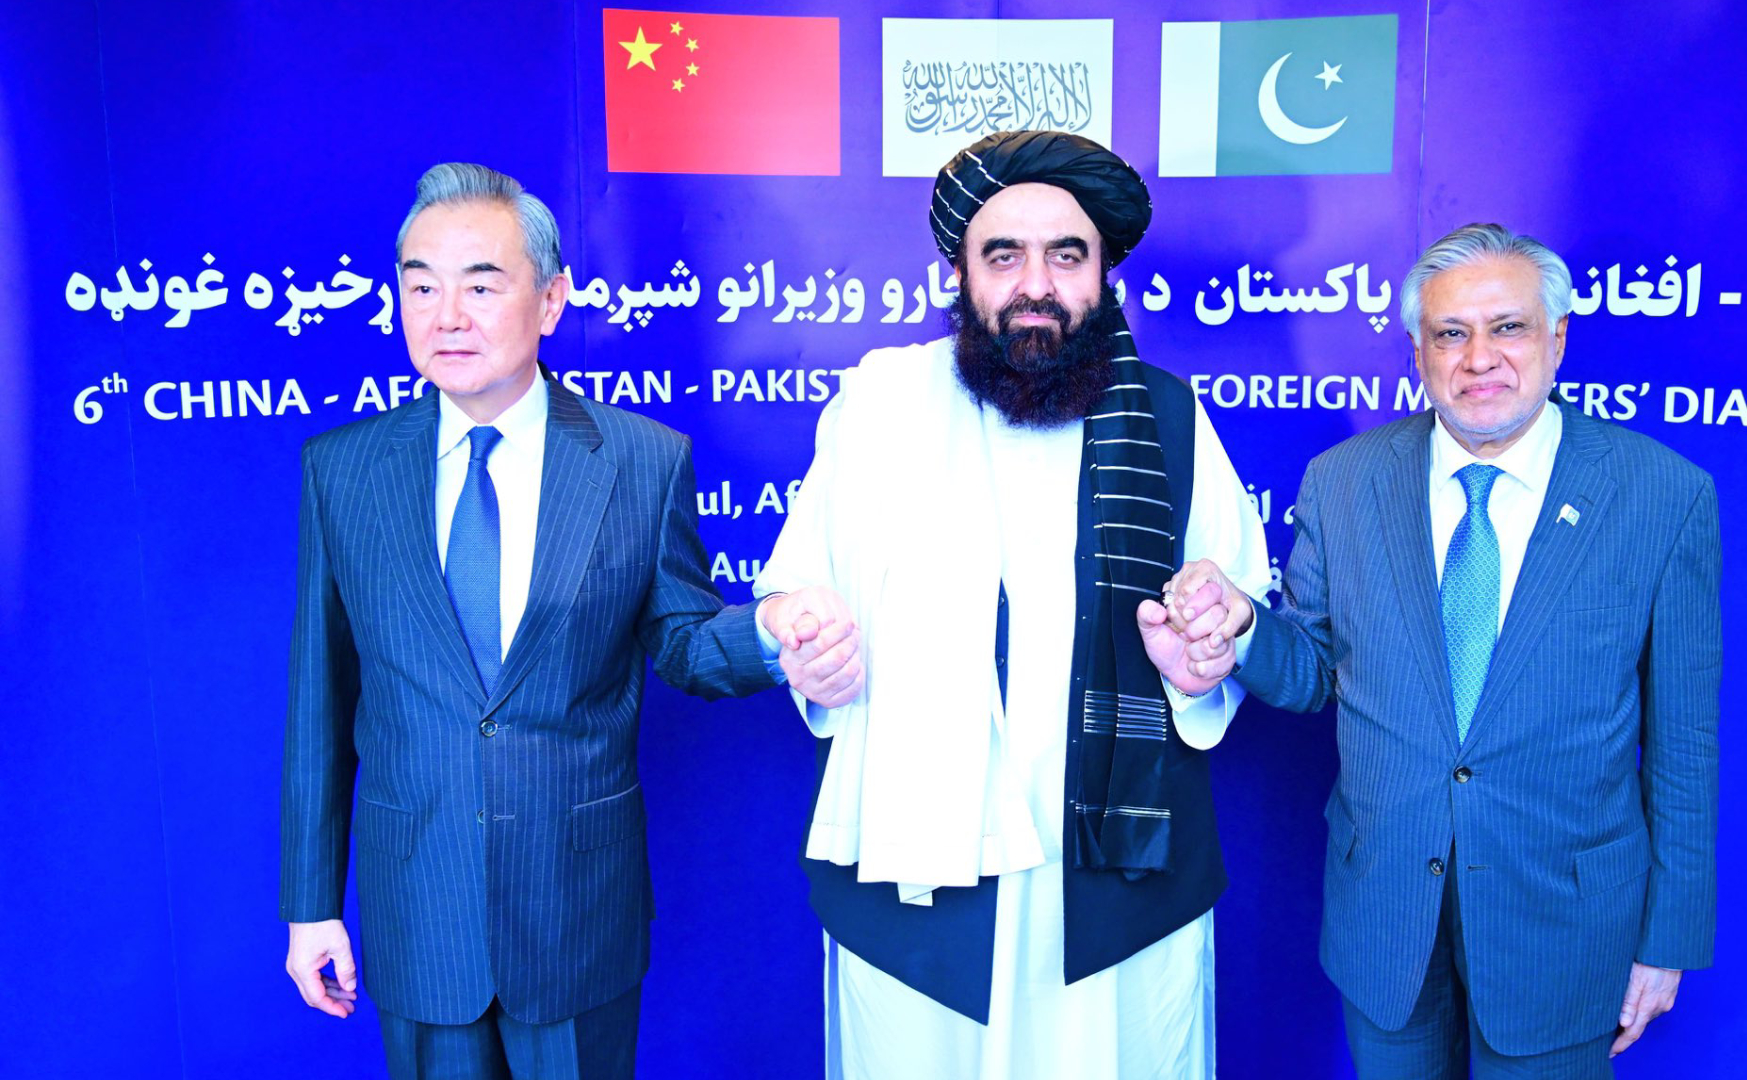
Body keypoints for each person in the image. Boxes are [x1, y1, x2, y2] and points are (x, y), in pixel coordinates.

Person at [279, 162, 849, 1079]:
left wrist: (771, 632)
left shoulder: (640, 461)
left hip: (577, 910)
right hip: (418, 905)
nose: (446, 315)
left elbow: (684, 640)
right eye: (421, 287)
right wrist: (311, 905)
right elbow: (321, 700)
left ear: (550, 301)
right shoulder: (342, 471)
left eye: (480, 285)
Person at [751, 130, 1269, 1079]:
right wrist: (806, 644)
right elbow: (794, 591)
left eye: (1066, 256)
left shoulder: (1169, 417)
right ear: (960, 273)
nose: (1036, 284)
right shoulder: (879, 407)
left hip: (1117, 871)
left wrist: (1208, 655)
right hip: (917, 870)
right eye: (1004, 255)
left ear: (1104, 275)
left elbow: (1235, 617)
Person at [1169, 222, 1720, 1078]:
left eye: (1509, 328)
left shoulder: (1662, 495)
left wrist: (1667, 939)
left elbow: (1685, 746)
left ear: (1557, 338)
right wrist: (1244, 629)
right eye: (1451, 333)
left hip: (1565, 929)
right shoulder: (1343, 482)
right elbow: (1314, 667)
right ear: (1418, 353)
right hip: (1387, 914)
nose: (1479, 358)